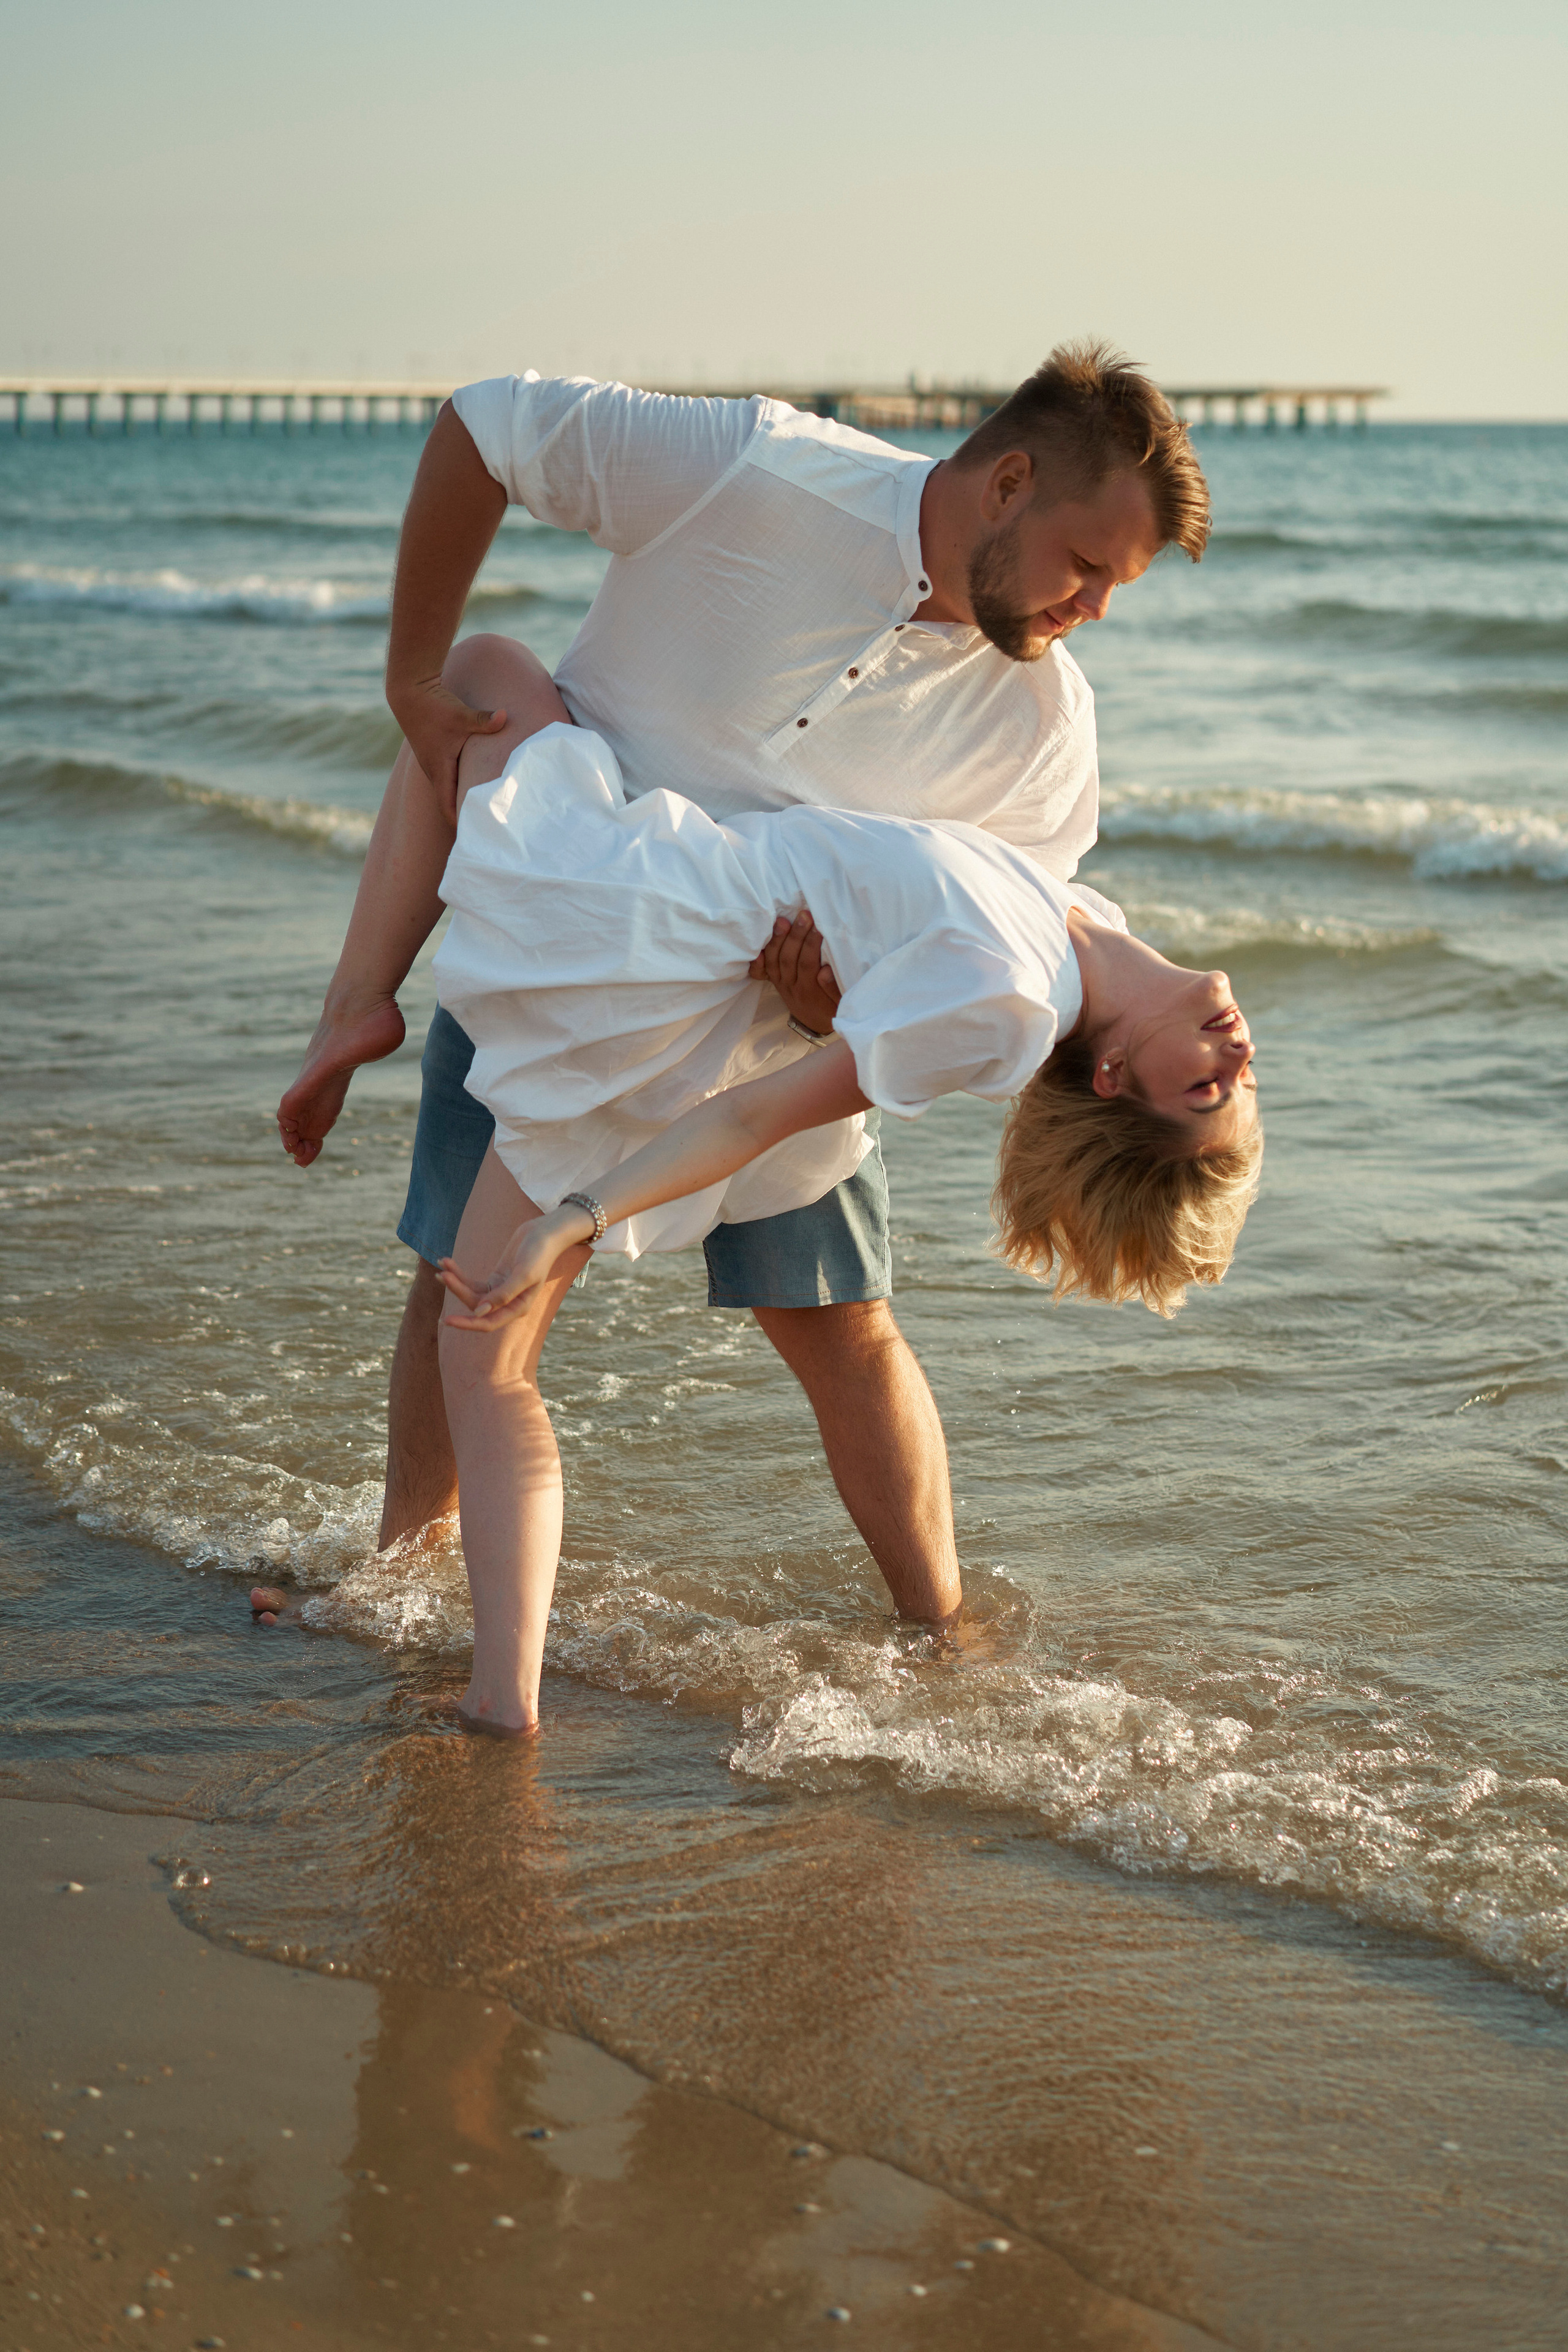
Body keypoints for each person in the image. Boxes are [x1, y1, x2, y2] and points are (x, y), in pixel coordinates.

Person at [273, 342, 1212, 1626]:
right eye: (1087, 565)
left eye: (1118, 586)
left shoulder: (1043, 731)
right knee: (469, 1291)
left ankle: (944, 1646)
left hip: (783, 1051)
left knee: (839, 1324)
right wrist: (407, 674)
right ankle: (397, 1595)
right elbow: (484, 426)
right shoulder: (760, 469)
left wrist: (833, 1007)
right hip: (568, 950)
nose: (1092, 608)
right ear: (1007, 483)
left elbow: (1009, 961)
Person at [404, 706, 1260, 1735]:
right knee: (483, 1343)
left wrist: (574, 1217)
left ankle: (501, 1696)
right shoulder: (1079, 915)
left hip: (657, 954)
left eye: (1209, 1094)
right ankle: (457, 1643)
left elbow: (757, 1115)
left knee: (476, 686)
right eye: (1241, 1087)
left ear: (1117, 1078)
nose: (1239, 1061)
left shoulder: (1015, 1003)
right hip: (688, 929)